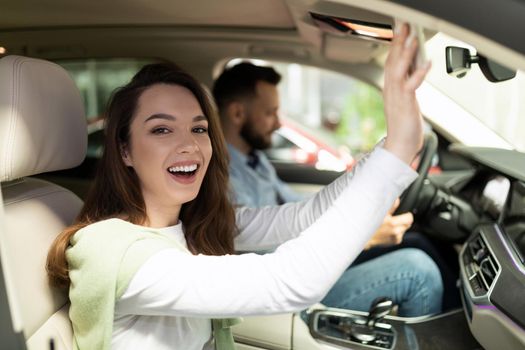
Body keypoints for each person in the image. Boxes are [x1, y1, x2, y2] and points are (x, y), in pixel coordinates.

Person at [47, 24, 433, 350]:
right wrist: (399, 150)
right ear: (125, 150)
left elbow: (305, 216)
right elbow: (287, 283)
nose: (189, 145)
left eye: (198, 128)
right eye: (162, 129)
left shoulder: (195, 225)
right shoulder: (114, 252)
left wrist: (393, 146)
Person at [213, 64, 459, 313]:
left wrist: (368, 208)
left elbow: (299, 208)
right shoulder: (222, 179)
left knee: (416, 242)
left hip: (308, 264)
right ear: (237, 114)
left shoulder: (255, 160)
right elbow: (261, 252)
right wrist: (363, 237)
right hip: (290, 290)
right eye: (270, 113)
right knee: (418, 270)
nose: (278, 123)